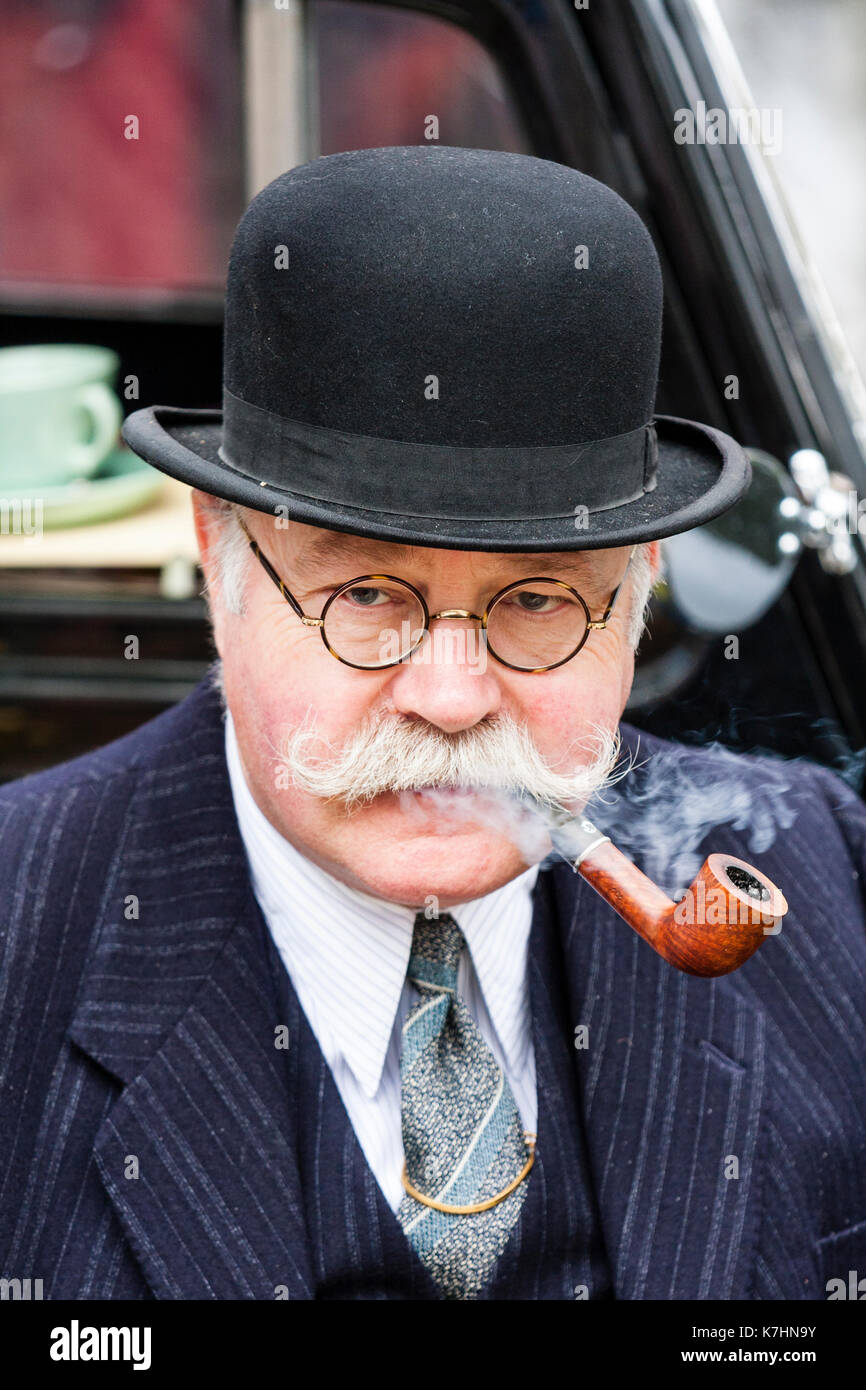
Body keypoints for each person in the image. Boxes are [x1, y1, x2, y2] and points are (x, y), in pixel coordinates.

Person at [2, 146, 865, 1301]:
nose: (451, 699)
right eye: (363, 595)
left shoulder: (829, 878)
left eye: (537, 599)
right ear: (218, 561)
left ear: (641, 579)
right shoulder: (18, 934)